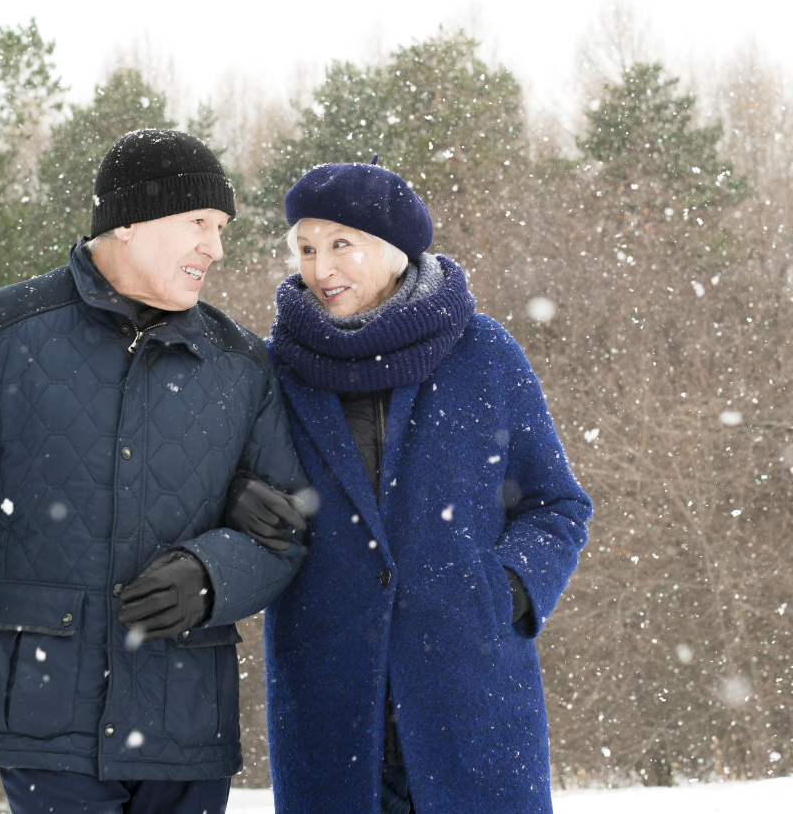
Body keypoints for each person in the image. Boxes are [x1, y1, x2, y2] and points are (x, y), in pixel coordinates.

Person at [0, 129, 308, 814]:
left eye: (220, 228)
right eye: (199, 223)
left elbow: (285, 533)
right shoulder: (1, 335)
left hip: (186, 720)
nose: (216, 248)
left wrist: (211, 574)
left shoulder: (241, 366)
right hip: (43, 719)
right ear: (128, 220)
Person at [224, 161, 592, 813]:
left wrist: (505, 589)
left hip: (473, 708)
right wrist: (234, 497)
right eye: (306, 248)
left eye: (341, 244)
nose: (321, 268)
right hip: (330, 713)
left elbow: (555, 505)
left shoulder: (484, 354)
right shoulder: (274, 371)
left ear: (393, 250)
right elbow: (226, 491)